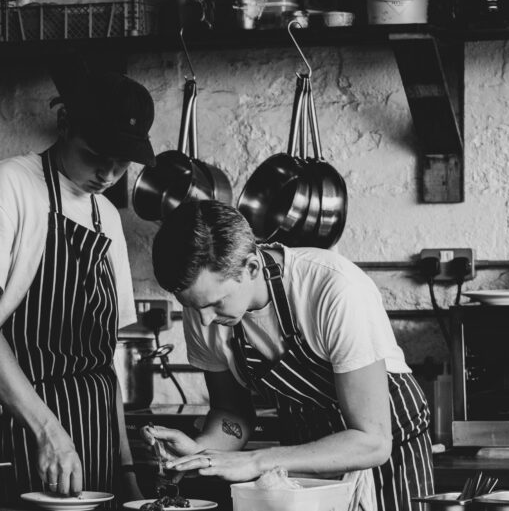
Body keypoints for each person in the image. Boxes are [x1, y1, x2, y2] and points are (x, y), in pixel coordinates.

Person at [143, 200, 434, 511]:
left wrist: (256, 461)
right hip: (304, 453)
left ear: (251, 267)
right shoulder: (205, 309)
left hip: (387, 452)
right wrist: (199, 452)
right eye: (192, 307)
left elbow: (372, 441)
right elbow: (231, 412)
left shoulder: (334, 290)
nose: (203, 321)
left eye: (217, 303)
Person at [0, 66, 156, 504]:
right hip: (25, 436)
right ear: (65, 125)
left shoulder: (105, 216)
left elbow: (105, 365)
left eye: (121, 161)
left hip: (96, 445)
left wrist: (125, 469)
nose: (107, 174)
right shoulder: (11, 186)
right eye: (95, 155)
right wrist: (48, 431)